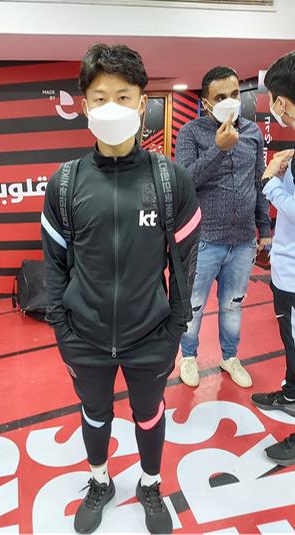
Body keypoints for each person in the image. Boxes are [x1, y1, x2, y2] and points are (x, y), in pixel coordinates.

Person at [41, 43, 201, 534]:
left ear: (141, 103)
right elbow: (54, 266)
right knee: (94, 415)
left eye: (123, 96)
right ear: (84, 105)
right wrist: (63, 328)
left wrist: (173, 330)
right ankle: (100, 480)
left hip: (150, 337)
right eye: (100, 97)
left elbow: (185, 268)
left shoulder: (171, 181)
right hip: (84, 338)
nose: (112, 107)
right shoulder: (65, 183)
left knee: (149, 414)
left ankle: (150, 483)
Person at [175, 66, 271, 389]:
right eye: (220, 97)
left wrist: (264, 229)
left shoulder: (253, 133)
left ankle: (230, 357)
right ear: (205, 102)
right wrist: (219, 148)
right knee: (194, 305)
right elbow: (184, 182)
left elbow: (258, 184)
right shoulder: (190, 133)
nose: (229, 101)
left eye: (234, 94)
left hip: (243, 241)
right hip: (204, 241)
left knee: (233, 305)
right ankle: (188, 356)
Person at [251, 51, 295, 467]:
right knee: (290, 343)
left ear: (282, 102)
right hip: (286, 270)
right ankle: (291, 394)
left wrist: (270, 182)